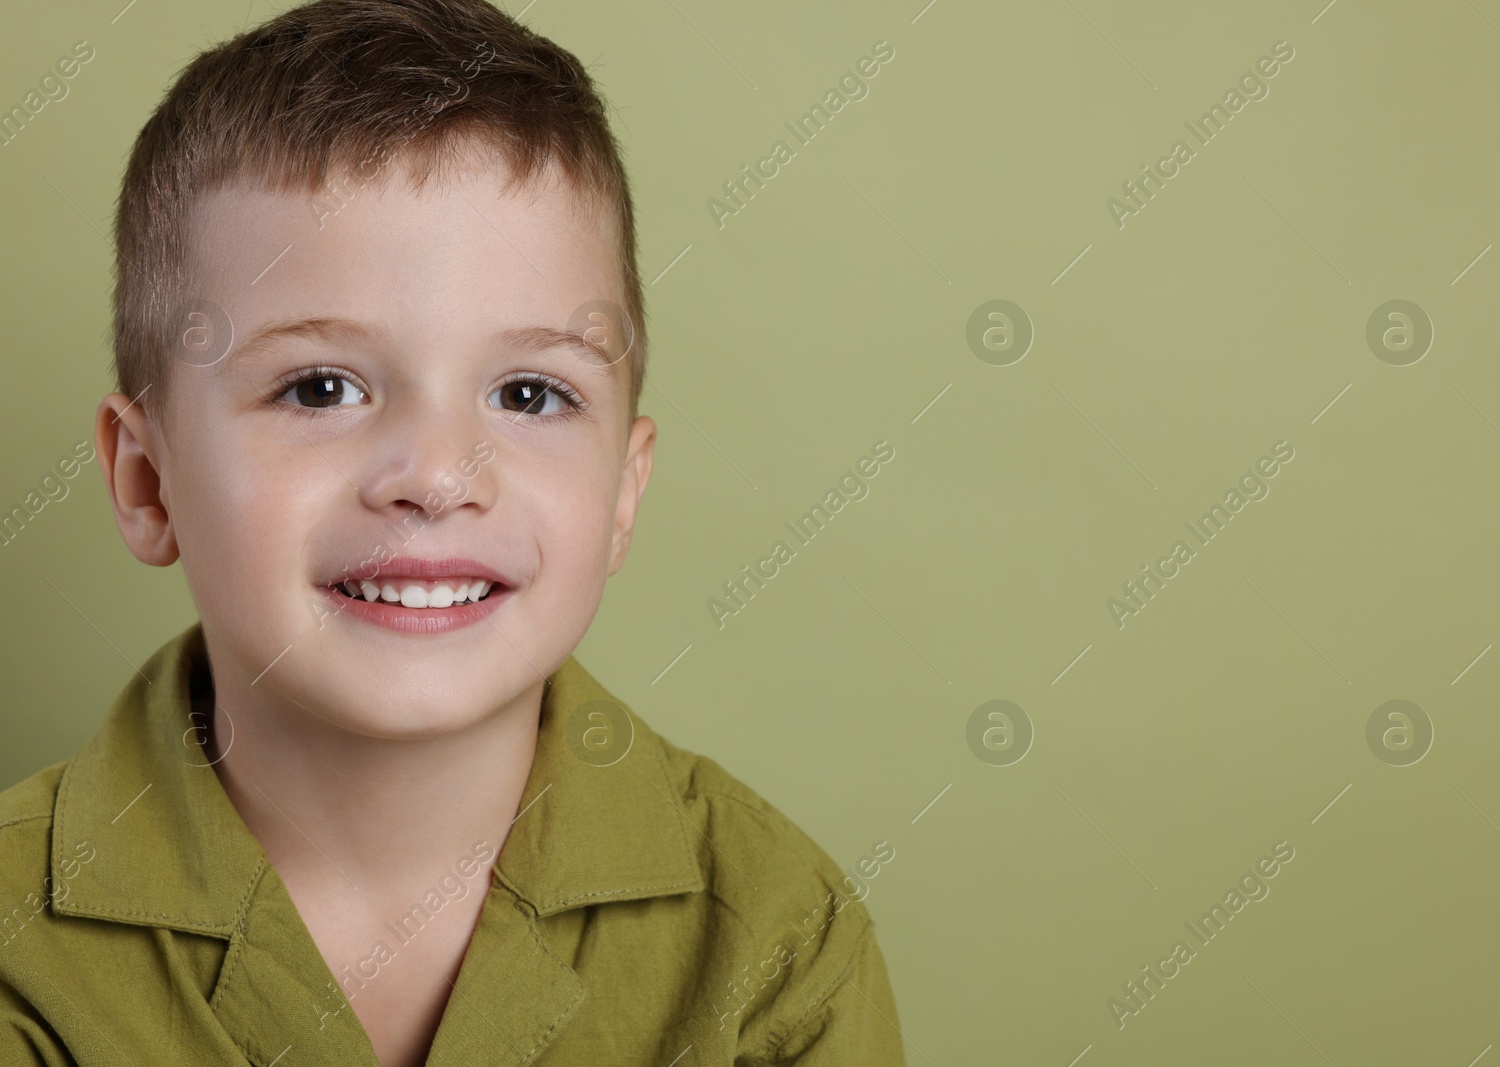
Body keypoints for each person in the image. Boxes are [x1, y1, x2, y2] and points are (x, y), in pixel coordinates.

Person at [0, 1, 906, 1063]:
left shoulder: (775, 938)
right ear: (148, 481)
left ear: (623, 489)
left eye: (529, 393)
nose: (436, 476)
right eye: (321, 385)